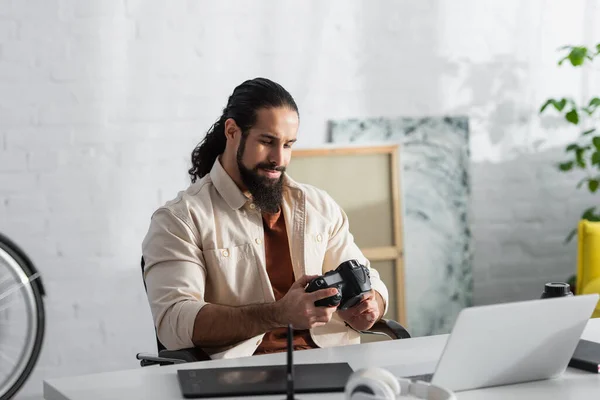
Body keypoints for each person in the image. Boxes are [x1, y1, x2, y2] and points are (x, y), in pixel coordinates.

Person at [141, 77, 389, 359]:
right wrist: (277, 314)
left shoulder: (319, 206)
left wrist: (372, 305)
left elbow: (370, 280)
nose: (278, 159)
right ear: (232, 132)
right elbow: (174, 323)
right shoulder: (179, 219)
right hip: (241, 376)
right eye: (267, 142)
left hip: (333, 361)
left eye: (288, 145)